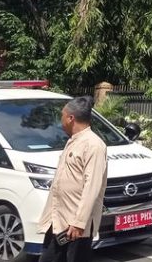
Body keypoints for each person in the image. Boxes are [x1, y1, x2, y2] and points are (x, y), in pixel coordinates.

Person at [38, 96, 107, 262]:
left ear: (71, 118)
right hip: (59, 220)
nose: (60, 121)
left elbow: (92, 187)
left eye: (62, 116)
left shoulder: (94, 145)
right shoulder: (73, 141)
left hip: (75, 226)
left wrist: (79, 222)